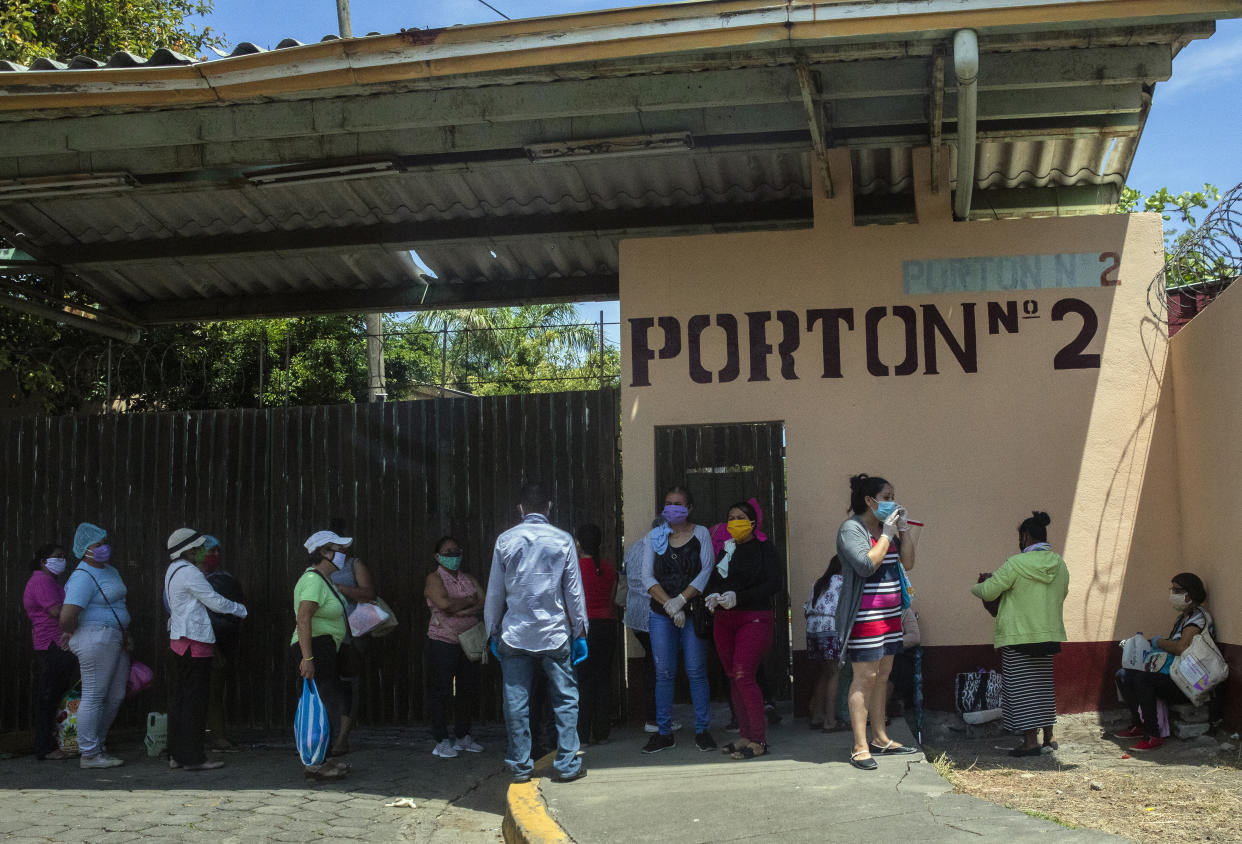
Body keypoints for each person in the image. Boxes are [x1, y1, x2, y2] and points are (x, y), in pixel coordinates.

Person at [484, 482, 588, 784]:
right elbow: (573, 593)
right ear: (549, 507)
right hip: (555, 634)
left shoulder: (505, 540)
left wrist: (493, 630)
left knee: (515, 703)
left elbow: (494, 592)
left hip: (515, 634)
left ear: (521, 508)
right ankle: (567, 765)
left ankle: (520, 766)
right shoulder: (563, 540)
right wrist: (580, 631)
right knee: (565, 700)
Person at [835, 474, 921, 771]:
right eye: (886, 497)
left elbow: (907, 563)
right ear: (869, 501)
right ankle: (860, 746)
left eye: (894, 496)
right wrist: (886, 532)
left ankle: (881, 738)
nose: (892, 502)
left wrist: (903, 530)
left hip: (890, 616)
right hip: (865, 616)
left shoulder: (889, 531)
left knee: (883, 676)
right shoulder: (851, 529)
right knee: (865, 678)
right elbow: (866, 564)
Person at [970, 511, 1068, 757]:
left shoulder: (1015, 564)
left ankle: (1030, 742)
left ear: (1025, 536)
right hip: (1048, 635)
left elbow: (990, 591)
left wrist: (977, 585)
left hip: (1018, 637)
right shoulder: (1059, 564)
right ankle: (1049, 735)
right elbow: (1062, 593)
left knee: (1021, 690)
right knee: (1043, 687)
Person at [639, 485, 716, 754]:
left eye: (678, 503)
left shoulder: (701, 534)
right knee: (664, 673)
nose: (673, 507)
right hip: (662, 613)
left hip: (693, 611)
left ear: (690, 507)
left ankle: (703, 730)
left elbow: (706, 570)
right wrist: (670, 606)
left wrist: (681, 601)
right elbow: (646, 577)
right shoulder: (654, 537)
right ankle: (663, 732)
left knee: (696, 671)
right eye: (668, 503)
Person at [164, 528, 248, 771]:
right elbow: (214, 601)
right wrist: (240, 609)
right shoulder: (190, 572)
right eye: (200, 548)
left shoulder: (173, 570)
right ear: (189, 550)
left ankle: (176, 754)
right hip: (194, 641)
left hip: (179, 639)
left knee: (180, 700)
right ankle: (193, 757)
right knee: (195, 701)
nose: (203, 552)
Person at [704, 501, 782, 759]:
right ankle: (746, 734)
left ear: (752, 522)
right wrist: (714, 596)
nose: (735, 521)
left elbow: (773, 583)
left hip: (754, 617)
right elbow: (715, 580)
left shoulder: (764, 549)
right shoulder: (727, 549)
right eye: (730, 517)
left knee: (744, 675)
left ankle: (759, 740)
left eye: (740, 517)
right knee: (732, 677)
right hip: (725, 620)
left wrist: (740, 596)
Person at [1113, 572, 1212, 752]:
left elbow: (1182, 647)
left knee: (1143, 679)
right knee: (1123, 675)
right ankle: (1139, 724)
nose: (1173, 594)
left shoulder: (1198, 618)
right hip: (1175, 674)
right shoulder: (1183, 618)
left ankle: (1152, 735)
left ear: (1189, 594)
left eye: (1177, 590)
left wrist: (1158, 642)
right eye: (1172, 589)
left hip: (1189, 682)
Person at [59, 523, 130, 769]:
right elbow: (67, 614)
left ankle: (97, 744)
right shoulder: (82, 576)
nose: (103, 548)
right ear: (84, 549)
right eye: (97, 545)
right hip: (95, 637)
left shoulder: (110, 571)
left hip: (115, 637)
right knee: (94, 696)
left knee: (116, 694)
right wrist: (69, 632)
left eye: (104, 543)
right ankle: (89, 753)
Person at [291, 530, 354, 781]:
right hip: (314, 647)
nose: (343, 555)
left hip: (324, 647)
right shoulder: (313, 580)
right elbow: (304, 617)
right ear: (323, 553)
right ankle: (315, 764)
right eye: (338, 549)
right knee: (322, 705)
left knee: (326, 703)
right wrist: (307, 659)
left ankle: (322, 758)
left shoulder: (324, 581)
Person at [424, 535, 485, 759]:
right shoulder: (434, 578)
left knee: (467, 690)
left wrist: (462, 610)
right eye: (447, 552)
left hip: (469, 643)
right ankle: (440, 739)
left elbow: (485, 601)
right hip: (443, 641)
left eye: (456, 551)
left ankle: (462, 736)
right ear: (437, 556)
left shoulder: (468, 577)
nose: (453, 556)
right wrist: (469, 602)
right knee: (440, 691)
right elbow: (444, 604)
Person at [23, 543, 78, 761]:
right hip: (52, 643)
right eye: (57, 556)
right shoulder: (41, 581)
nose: (62, 560)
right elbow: (57, 611)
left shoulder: (50, 581)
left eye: (63, 556)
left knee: (56, 695)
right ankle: (45, 747)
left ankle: (55, 742)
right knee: (49, 696)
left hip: (57, 642)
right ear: (43, 561)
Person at [622, 521, 678, 734]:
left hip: (635, 615)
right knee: (659, 668)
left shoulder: (635, 547)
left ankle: (653, 717)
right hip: (654, 613)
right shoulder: (660, 547)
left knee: (651, 665)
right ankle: (656, 718)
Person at [326, 528, 375, 757]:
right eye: (337, 546)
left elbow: (368, 594)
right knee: (326, 685)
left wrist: (342, 590)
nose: (341, 550)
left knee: (348, 684)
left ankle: (342, 739)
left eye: (344, 546)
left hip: (353, 631)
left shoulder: (354, 564)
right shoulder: (316, 571)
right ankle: (322, 737)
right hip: (326, 633)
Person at [575, 524, 619, 745]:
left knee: (583, 680)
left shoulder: (573, 568)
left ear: (578, 543)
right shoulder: (609, 569)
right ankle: (602, 732)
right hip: (607, 625)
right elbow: (611, 598)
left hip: (584, 628)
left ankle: (581, 734)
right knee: (603, 678)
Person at [200, 535, 245, 752]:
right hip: (195, 639)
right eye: (210, 551)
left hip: (220, 640)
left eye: (218, 551)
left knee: (216, 688)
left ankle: (217, 734)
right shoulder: (189, 577)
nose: (215, 555)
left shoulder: (224, 578)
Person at [804, 555, 846, 732]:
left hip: (813, 629)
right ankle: (830, 721)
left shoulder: (819, 582)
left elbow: (806, 609)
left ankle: (817, 715)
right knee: (835, 673)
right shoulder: (843, 582)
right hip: (830, 627)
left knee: (825, 673)